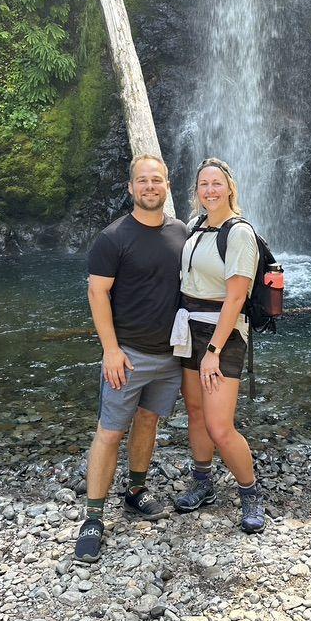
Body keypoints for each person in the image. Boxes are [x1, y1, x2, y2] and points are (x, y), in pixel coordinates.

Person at [74, 154, 188, 563]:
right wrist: (110, 350)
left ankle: (135, 491)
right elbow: (97, 293)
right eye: (142, 180)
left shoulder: (181, 233)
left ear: (167, 185)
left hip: (170, 356)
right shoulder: (113, 238)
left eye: (156, 180)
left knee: (148, 421)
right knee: (109, 431)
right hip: (128, 355)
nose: (150, 186)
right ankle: (93, 517)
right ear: (130, 187)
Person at [170, 157, 266, 533]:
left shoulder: (238, 233)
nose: (210, 190)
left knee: (220, 426)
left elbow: (236, 297)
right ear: (197, 191)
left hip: (222, 335)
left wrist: (213, 351)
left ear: (229, 188)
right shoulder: (196, 227)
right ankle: (203, 483)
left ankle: (250, 492)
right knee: (195, 413)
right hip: (188, 329)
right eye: (203, 184)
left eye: (216, 184)